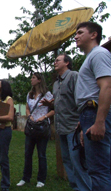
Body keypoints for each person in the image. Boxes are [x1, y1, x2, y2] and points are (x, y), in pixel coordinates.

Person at [41, 54, 91, 190]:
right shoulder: (56, 83)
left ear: (67, 63)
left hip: (73, 127)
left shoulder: (74, 76)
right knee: (68, 161)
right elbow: (59, 105)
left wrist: (81, 124)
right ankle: (76, 188)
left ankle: (85, 188)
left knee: (78, 162)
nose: (54, 62)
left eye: (58, 60)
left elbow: (81, 100)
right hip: (60, 128)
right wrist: (50, 105)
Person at [74, 22, 111, 190]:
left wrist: (99, 122)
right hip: (89, 114)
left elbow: (107, 86)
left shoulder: (99, 54)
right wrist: (84, 123)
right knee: (96, 167)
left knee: (99, 170)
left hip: (96, 114)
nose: (76, 36)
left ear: (94, 34)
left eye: (80, 32)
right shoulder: (90, 58)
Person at [17, 72, 54, 188]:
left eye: (33, 78)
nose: (31, 80)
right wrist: (29, 116)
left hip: (42, 126)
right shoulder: (30, 94)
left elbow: (53, 109)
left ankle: (41, 179)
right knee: (28, 153)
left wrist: (44, 117)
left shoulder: (47, 94)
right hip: (31, 126)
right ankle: (25, 178)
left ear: (39, 80)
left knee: (41, 154)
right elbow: (27, 108)